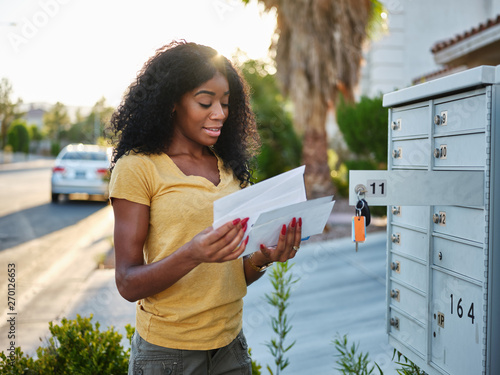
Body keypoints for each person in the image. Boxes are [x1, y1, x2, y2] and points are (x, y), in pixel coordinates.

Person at [108, 40, 303, 375]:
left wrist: (261, 258)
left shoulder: (229, 168)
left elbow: (228, 276)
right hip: (167, 354)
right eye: (205, 102)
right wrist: (193, 253)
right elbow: (127, 282)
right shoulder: (139, 167)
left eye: (226, 103)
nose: (220, 114)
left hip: (230, 347)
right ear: (171, 102)